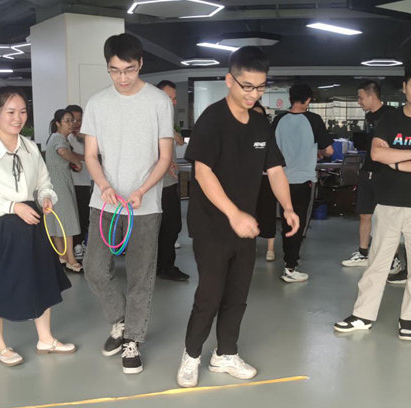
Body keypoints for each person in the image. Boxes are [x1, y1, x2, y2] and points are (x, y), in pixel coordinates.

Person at [176, 46, 299, 388]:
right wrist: (233, 214)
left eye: (260, 87)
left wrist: (288, 207)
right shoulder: (212, 119)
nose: (253, 94)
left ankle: (225, 354)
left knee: (238, 295)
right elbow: (202, 172)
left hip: (245, 226)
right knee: (210, 294)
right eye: (247, 86)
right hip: (212, 225)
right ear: (229, 80)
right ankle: (191, 355)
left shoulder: (260, 123)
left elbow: (275, 169)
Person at [334, 58, 411, 341]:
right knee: (377, 261)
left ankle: (408, 319)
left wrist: (397, 162)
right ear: (404, 87)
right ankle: (363, 315)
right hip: (388, 201)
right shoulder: (389, 119)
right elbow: (377, 154)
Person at [0, 86, 74, 367]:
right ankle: (0, 346)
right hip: (0, 224)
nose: (17, 118)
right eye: (10, 112)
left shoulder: (30, 147)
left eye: (22, 111)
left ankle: (45, 338)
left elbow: (44, 182)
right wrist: (13, 207)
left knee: (41, 278)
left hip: (32, 219)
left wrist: (45, 197)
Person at [82, 33, 173, 374]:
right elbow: (90, 155)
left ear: (141, 64)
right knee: (94, 268)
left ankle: (133, 338)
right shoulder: (96, 103)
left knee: (140, 276)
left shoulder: (158, 102)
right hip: (104, 203)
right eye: (115, 70)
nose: (122, 77)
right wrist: (104, 185)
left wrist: (143, 189)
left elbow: (165, 157)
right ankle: (119, 320)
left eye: (129, 69)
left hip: (144, 206)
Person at [272, 83, 333, 282]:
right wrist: (318, 150)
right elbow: (329, 150)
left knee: (286, 222)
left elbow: (271, 149)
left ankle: (288, 262)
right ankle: (290, 267)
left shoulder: (278, 120)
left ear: (290, 98)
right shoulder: (313, 119)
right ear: (308, 100)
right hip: (303, 180)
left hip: (280, 181)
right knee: (299, 224)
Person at [341, 80, 400, 273]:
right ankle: (363, 253)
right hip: (368, 171)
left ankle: (393, 259)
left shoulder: (391, 115)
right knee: (365, 214)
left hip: (386, 173)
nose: (359, 102)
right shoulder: (369, 117)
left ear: (371, 96)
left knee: (387, 219)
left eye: (360, 98)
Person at [155, 80, 189, 281]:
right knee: (169, 225)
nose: (174, 102)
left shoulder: (165, 119)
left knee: (171, 225)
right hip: (160, 184)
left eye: (174, 99)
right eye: (170, 98)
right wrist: (165, 162)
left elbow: (179, 141)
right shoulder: (152, 120)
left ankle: (164, 265)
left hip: (169, 181)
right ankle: (164, 267)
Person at [45, 108, 82, 272]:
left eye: (72, 120)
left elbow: (67, 153)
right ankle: (71, 259)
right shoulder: (58, 138)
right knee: (67, 220)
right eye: (67, 121)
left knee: (57, 220)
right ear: (58, 123)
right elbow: (62, 152)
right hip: (59, 185)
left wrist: (81, 159)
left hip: (55, 184)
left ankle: (62, 256)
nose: (71, 124)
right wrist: (77, 161)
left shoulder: (56, 138)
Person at [65, 104, 91, 260]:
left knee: (84, 215)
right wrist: (84, 158)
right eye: (72, 120)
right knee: (73, 216)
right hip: (70, 183)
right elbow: (66, 154)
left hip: (85, 182)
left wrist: (84, 138)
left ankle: (81, 243)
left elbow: (96, 154)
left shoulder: (86, 137)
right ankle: (75, 247)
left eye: (79, 120)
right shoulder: (64, 137)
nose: (75, 123)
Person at [253, 100, 278, 261]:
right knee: (250, 212)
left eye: (260, 115)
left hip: (267, 178)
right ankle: (250, 244)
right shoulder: (240, 133)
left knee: (268, 212)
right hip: (249, 180)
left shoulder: (268, 134)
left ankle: (270, 248)